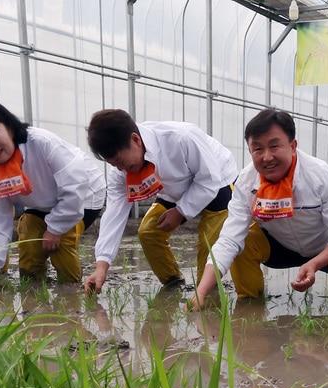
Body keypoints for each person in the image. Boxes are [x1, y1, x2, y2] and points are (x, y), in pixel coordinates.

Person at [191, 109, 328, 308]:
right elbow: (229, 240)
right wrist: (201, 292)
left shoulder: (321, 177)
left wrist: (315, 263)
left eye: (274, 146)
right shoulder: (246, 182)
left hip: (324, 248)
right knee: (243, 243)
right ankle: (249, 310)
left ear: (293, 146)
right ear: (250, 151)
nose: (267, 157)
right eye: (258, 149)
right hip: (279, 247)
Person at [83, 110, 238, 293]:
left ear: (136, 140)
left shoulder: (181, 137)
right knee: (148, 231)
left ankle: (208, 296)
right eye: (115, 165)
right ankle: (173, 284)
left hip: (218, 183)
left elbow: (209, 179)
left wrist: (181, 213)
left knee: (209, 248)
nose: (122, 170)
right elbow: (114, 214)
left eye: (122, 162)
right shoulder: (120, 171)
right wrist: (101, 267)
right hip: (174, 190)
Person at [0, 100, 104, 288]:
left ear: (10, 128)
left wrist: (54, 229)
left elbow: (74, 186)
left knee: (60, 244)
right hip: (40, 203)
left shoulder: (42, 143)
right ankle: (33, 294)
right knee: (29, 245)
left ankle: (72, 294)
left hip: (84, 196)